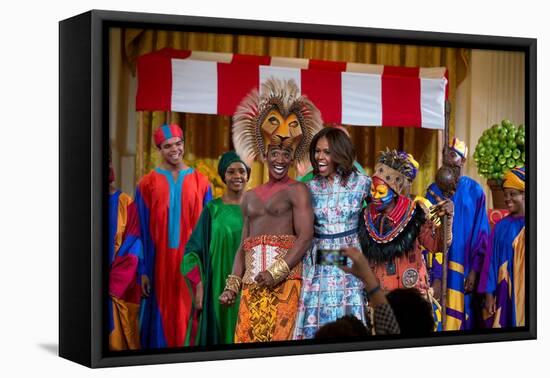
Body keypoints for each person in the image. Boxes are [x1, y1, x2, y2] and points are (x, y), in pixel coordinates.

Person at [219, 78, 321, 343]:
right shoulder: (249, 197)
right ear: (265, 154)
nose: (280, 160)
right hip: (251, 289)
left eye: (286, 155)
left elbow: (306, 237)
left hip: (285, 286)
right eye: (275, 153)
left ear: (293, 158)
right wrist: (232, 285)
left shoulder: (298, 190)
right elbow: (244, 244)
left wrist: (277, 271)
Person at [136, 124, 212, 349]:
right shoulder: (146, 184)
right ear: (159, 149)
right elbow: (138, 229)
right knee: (161, 318)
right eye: (167, 146)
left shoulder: (202, 182)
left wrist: (206, 270)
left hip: (191, 264)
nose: (174, 150)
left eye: (178, 144)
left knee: (188, 315)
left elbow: (208, 232)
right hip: (158, 264)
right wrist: (142, 270)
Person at [293, 127, 372, 339]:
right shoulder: (308, 187)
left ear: (340, 152)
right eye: (317, 151)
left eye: (326, 152)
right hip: (319, 268)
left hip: (352, 267)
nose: (320, 157)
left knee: (351, 329)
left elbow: (386, 211)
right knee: (316, 326)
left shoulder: (362, 183)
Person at [358, 149, 453, 297]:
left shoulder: (415, 213)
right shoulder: (365, 217)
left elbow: (437, 245)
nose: (375, 196)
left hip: (411, 296)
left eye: (381, 192)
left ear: (394, 191)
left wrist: (447, 220)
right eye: (372, 190)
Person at [181, 151, 250, 345]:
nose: (237, 176)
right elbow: (192, 253)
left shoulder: (257, 208)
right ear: (223, 176)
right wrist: (199, 286)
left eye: (242, 171)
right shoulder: (213, 209)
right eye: (231, 172)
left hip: (250, 286)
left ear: (248, 175)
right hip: (217, 285)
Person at [426, 137, 490, 331]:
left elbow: (482, 234)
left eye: (453, 155)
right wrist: (434, 272)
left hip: (465, 266)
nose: (447, 158)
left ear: (462, 161)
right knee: (438, 316)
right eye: (445, 153)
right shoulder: (433, 191)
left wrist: (474, 270)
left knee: (463, 319)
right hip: (439, 265)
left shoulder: (475, 191)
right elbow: (427, 232)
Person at [478, 167, 526, 328]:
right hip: (505, 291)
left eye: (513, 194)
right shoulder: (501, 227)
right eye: (505, 194)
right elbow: (490, 262)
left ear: (525, 194)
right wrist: (489, 293)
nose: (507, 199)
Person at [108, 149, 142, 350]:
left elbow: (133, 246)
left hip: (117, 286)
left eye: (109, 160)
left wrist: (112, 282)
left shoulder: (125, 203)